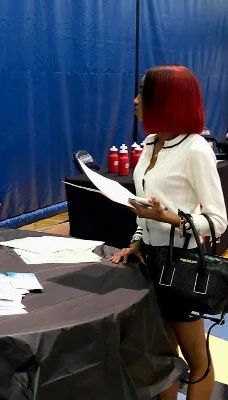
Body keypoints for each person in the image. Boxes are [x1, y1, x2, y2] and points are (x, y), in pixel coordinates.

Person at [111, 65, 227, 400]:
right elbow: (145, 206)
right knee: (163, 355)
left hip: (183, 265)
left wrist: (171, 218)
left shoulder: (195, 149)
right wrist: (137, 242)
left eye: (143, 94)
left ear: (167, 101)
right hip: (151, 262)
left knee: (196, 359)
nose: (135, 101)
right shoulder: (151, 143)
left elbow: (218, 221)